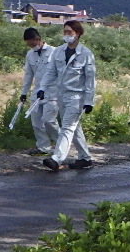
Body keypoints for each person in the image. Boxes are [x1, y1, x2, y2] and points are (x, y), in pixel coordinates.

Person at [38, 20, 96, 172]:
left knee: (67, 128)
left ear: (78, 33)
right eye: (65, 32)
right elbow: (50, 72)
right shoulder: (58, 51)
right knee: (74, 128)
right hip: (61, 95)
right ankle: (85, 158)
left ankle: (57, 159)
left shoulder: (86, 54)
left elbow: (90, 79)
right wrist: (42, 88)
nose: (67, 35)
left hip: (77, 97)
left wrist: (89, 101)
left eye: (70, 32)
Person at [19, 27, 60, 156]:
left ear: (38, 39)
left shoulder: (54, 52)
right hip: (37, 93)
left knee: (49, 121)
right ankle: (43, 147)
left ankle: (61, 145)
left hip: (52, 93)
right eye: (28, 45)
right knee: (36, 122)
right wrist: (23, 93)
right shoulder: (30, 55)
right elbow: (28, 75)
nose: (31, 46)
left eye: (32, 43)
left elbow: (61, 73)